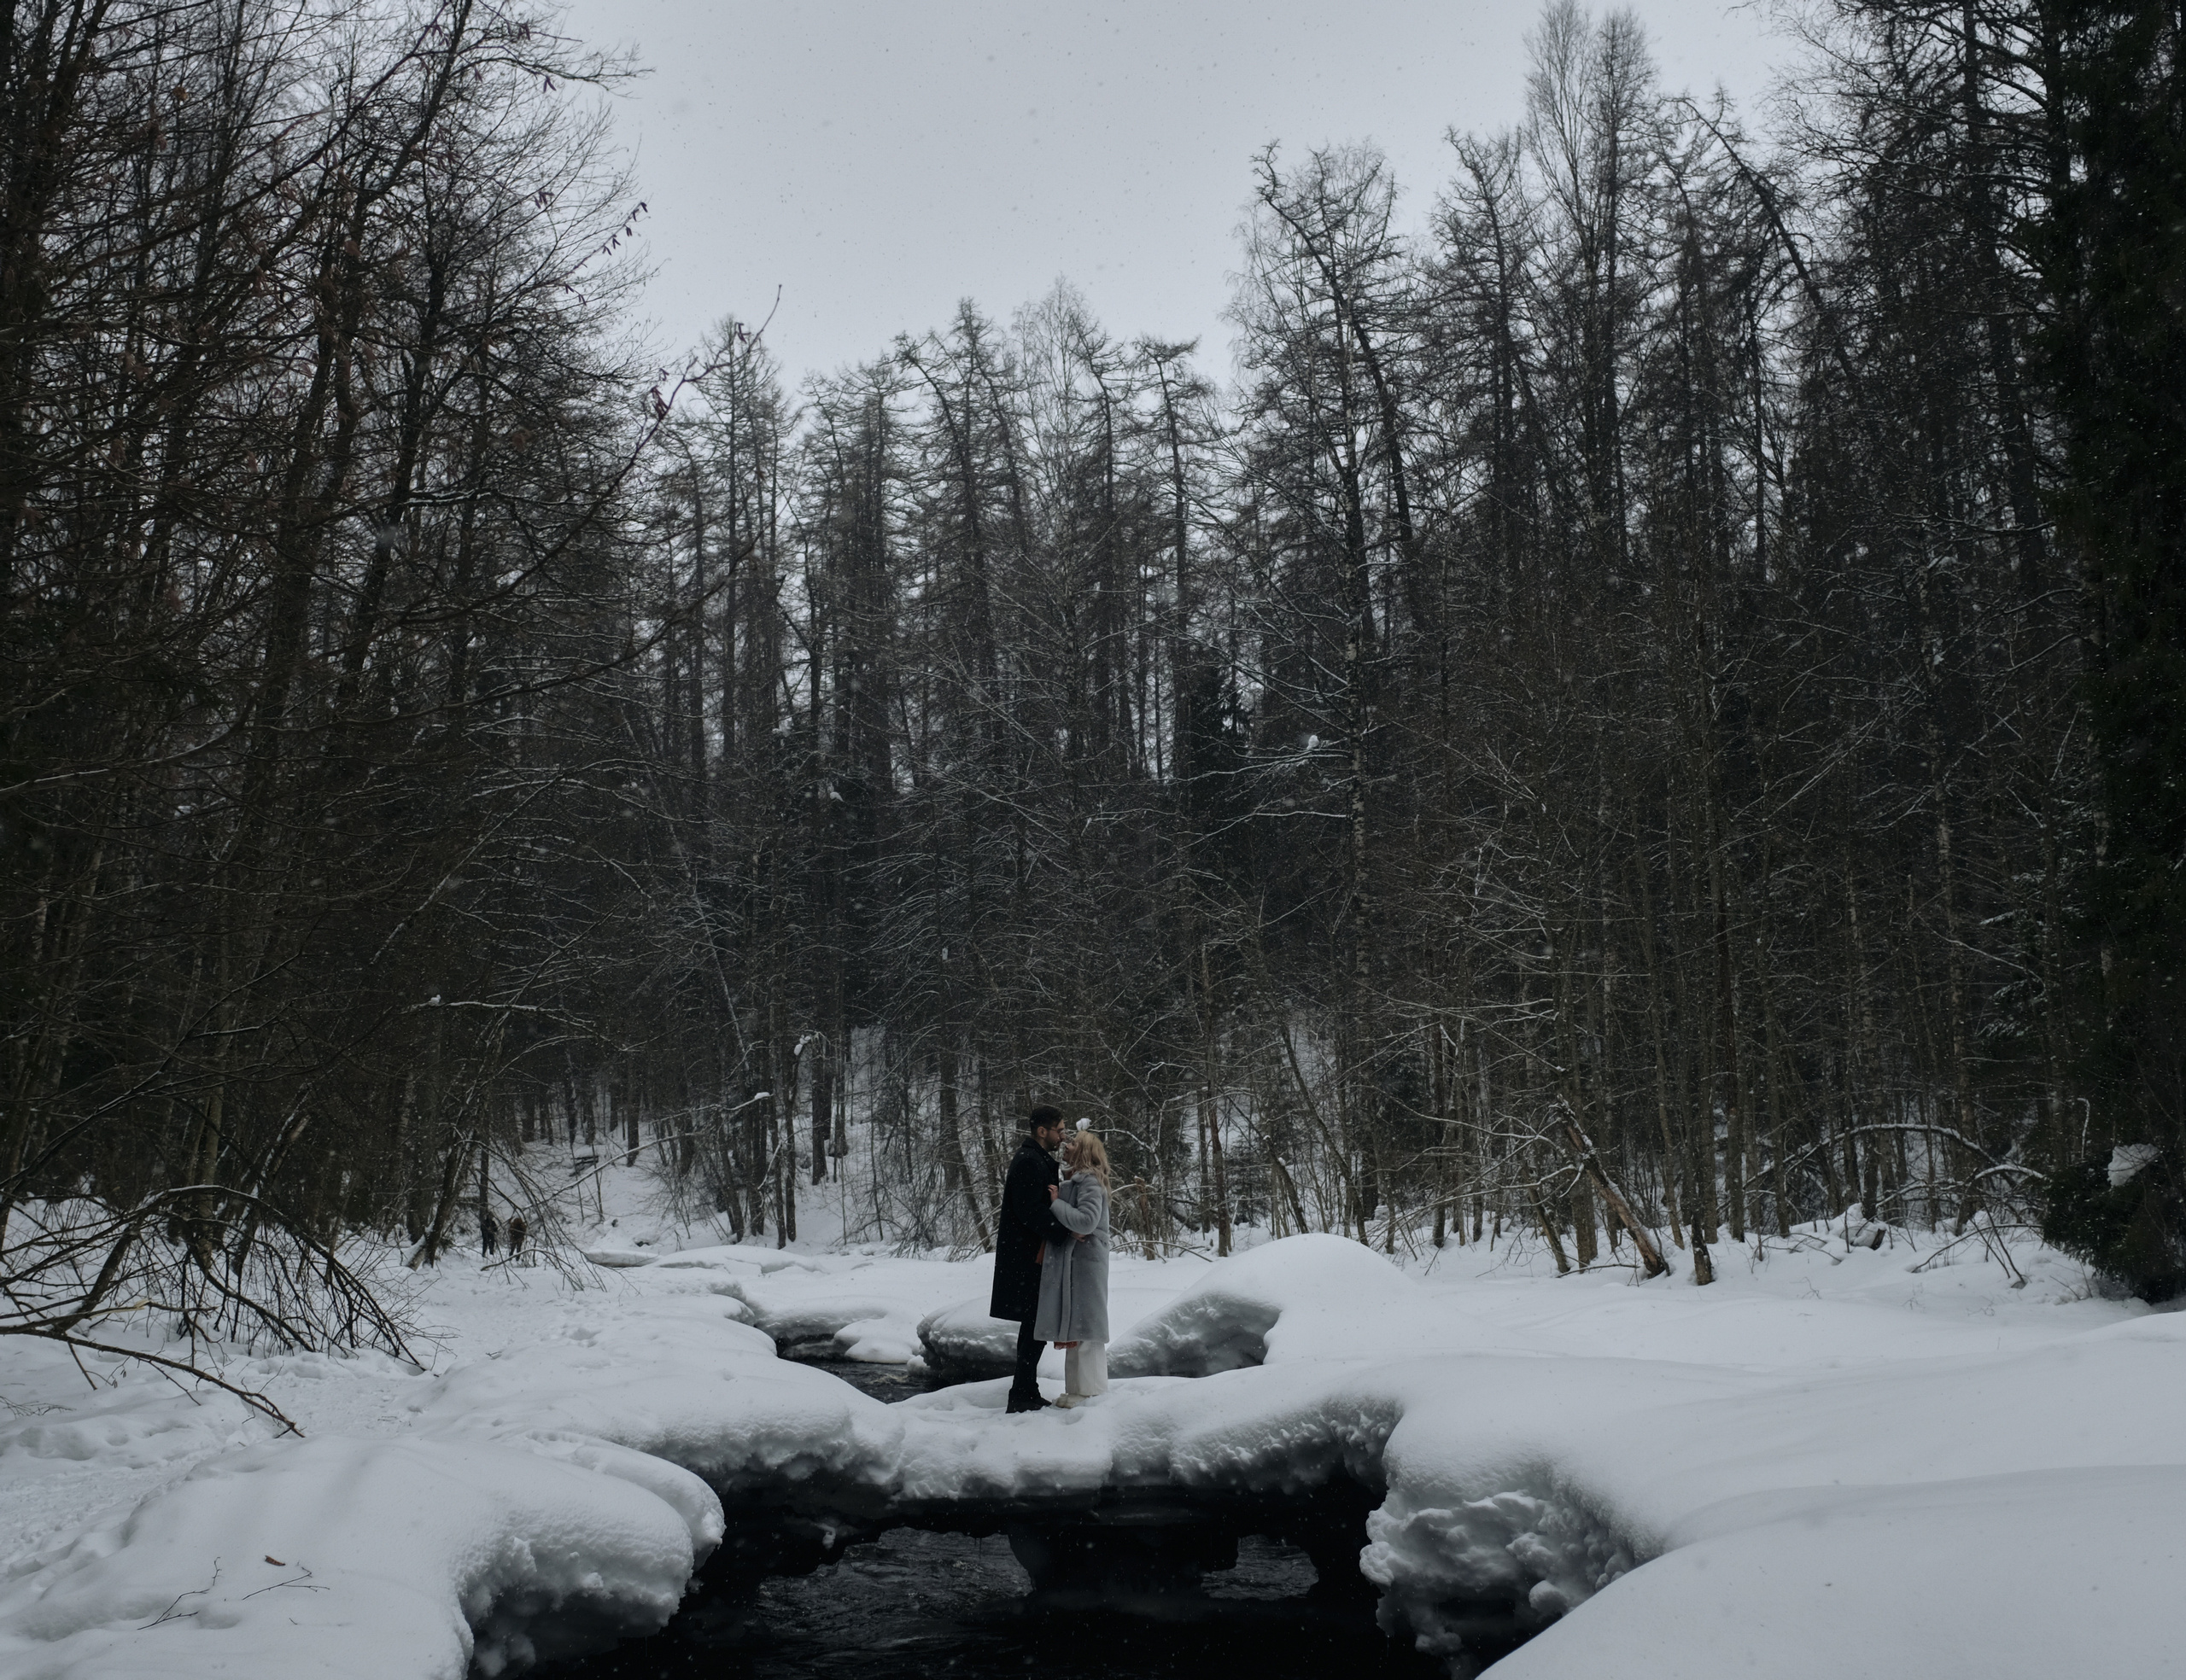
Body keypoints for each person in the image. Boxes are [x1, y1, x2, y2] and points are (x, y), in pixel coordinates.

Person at [991, 1105, 1066, 1413]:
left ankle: (1025, 1390)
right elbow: (1028, 1211)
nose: (1063, 1136)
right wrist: (1062, 1231)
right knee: (1034, 1326)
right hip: (1026, 1258)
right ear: (1042, 1131)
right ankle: (1021, 1394)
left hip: (1031, 1256)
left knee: (1035, 1327)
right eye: (1059, 1130)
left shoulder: (1035, 1159)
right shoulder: (1028, 1161)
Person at [1035, 1123, 1112, 1407]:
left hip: (1087, 1266)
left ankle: (1090, 1393)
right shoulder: (1078, 1181)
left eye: (1074, 1143)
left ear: (1085, 1151)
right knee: (1077, 1329)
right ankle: (1076, 1390)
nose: (1067, 1145)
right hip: (1078, 1267)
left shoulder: (1090, 1181)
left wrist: (1056, 1204)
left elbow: (1086, 1222)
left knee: (1087, 1331)